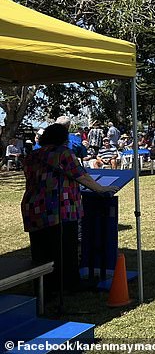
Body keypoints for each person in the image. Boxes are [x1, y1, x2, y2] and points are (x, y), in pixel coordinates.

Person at [21, 124, 119, 295]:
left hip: (33, 207)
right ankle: (69, 283)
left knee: (40, 251)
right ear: (62, 138)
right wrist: (101, 189)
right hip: (60, 208)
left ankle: (44, 286)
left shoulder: (32, 155)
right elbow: (80, 175)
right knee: (65, 249)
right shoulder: (62, 153)